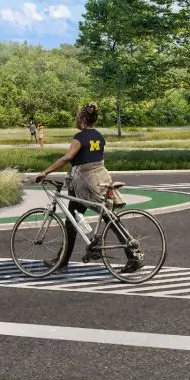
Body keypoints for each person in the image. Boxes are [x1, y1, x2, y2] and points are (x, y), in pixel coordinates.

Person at [33, 103, 137, 271]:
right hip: (100, 179)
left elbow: (68, 158)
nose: (76, 121)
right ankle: (133, 256)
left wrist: (46, 172)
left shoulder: (79, 138)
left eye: (77, 118)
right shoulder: (99, 137)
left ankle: (62, 262)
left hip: (84, 183)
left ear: (82, 120)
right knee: (108, 217)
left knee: (72, 221)